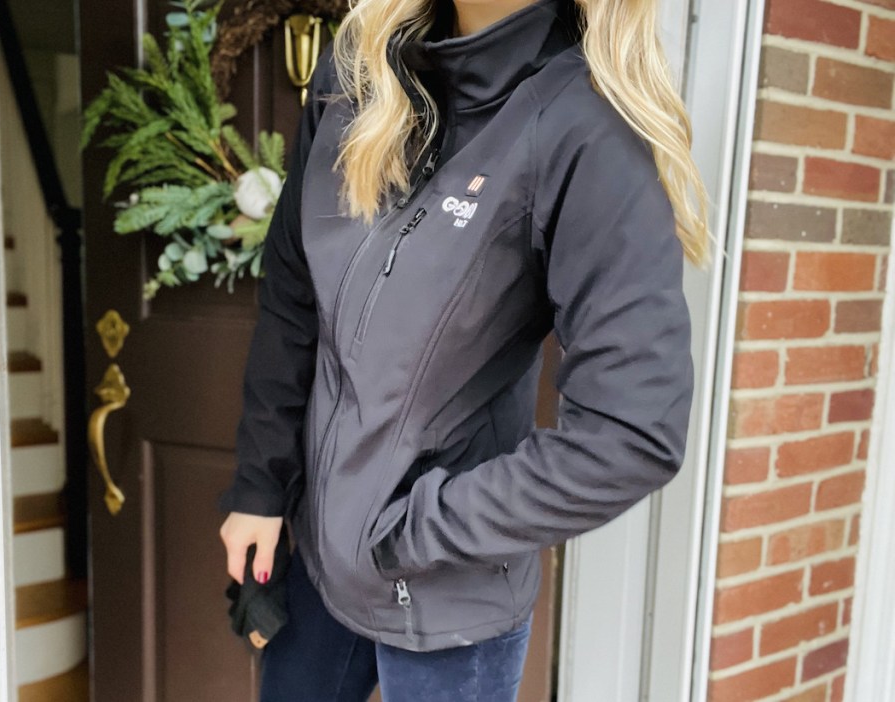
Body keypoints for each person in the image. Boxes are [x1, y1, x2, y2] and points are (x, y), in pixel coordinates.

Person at [219, 0, 709, 698]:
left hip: (446, 596)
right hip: (320, 567)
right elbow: (294, 299)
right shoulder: (352, 73)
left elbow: (631, 433)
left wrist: (405, 536)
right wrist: (260, 490)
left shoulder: (585, 129)